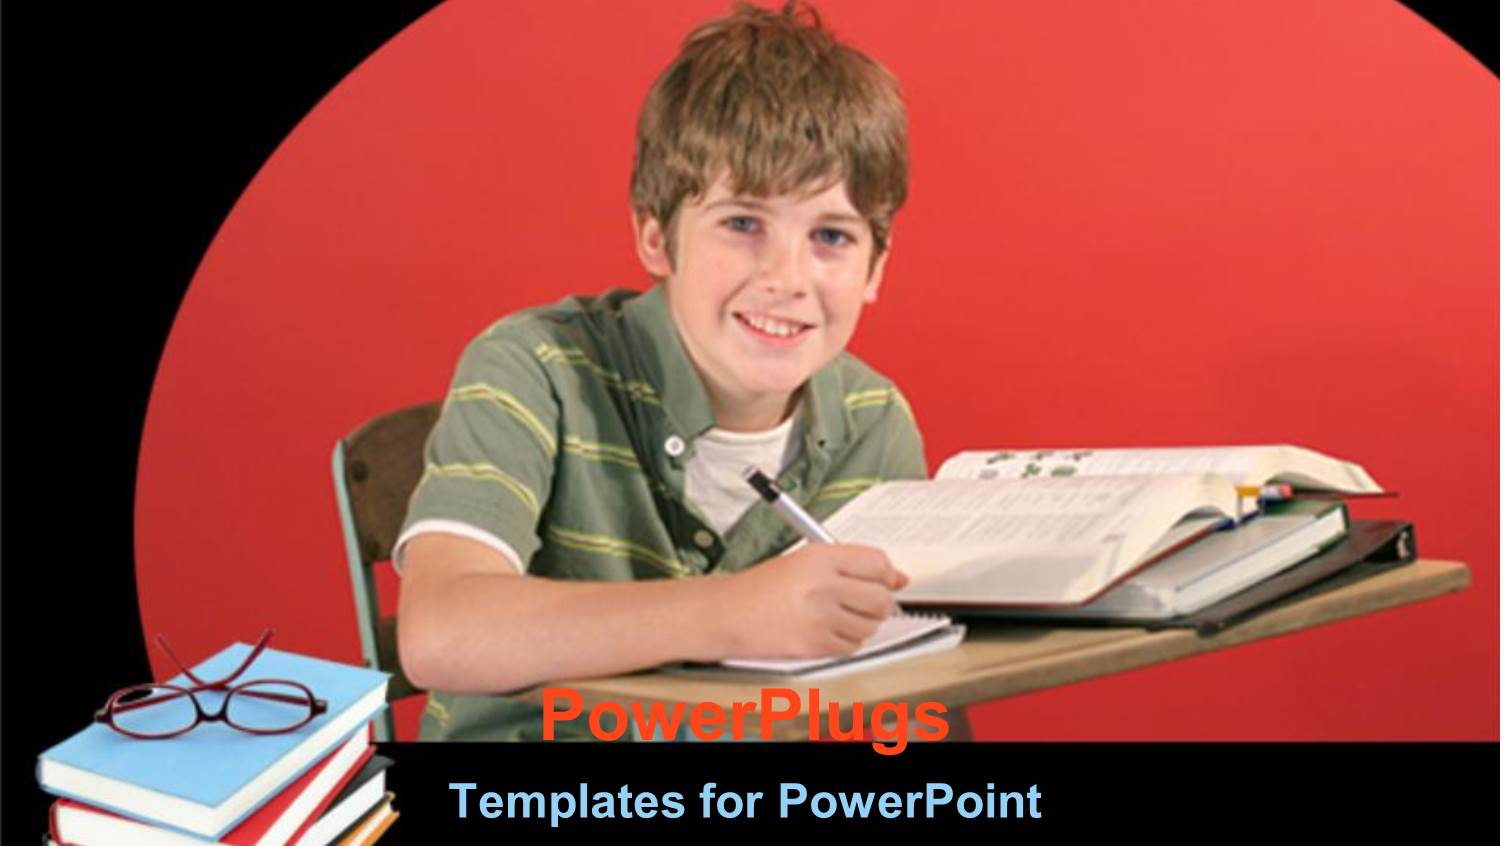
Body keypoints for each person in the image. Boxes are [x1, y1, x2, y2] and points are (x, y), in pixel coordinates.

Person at [396, 0, 926, 741]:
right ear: (657, 238)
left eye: (832, 236)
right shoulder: (535, 367)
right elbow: (441, 632)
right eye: (743, 224)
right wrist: (740, 613)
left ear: (876, 268)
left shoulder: (875, 422)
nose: (788, 277)